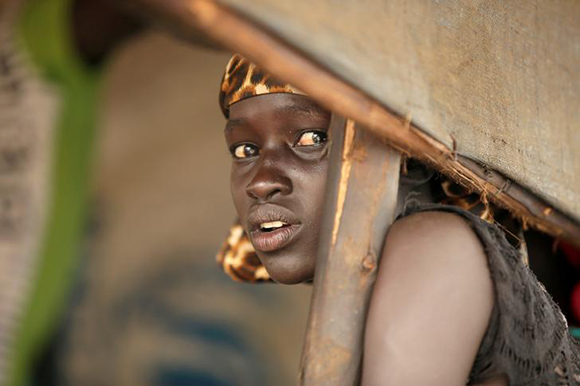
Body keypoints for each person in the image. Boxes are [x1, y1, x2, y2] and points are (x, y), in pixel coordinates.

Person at [217, 54, 580, 385]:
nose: (261, 182)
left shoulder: (432, 247)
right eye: (245, 150)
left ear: (412, 159)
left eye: (312, 138)